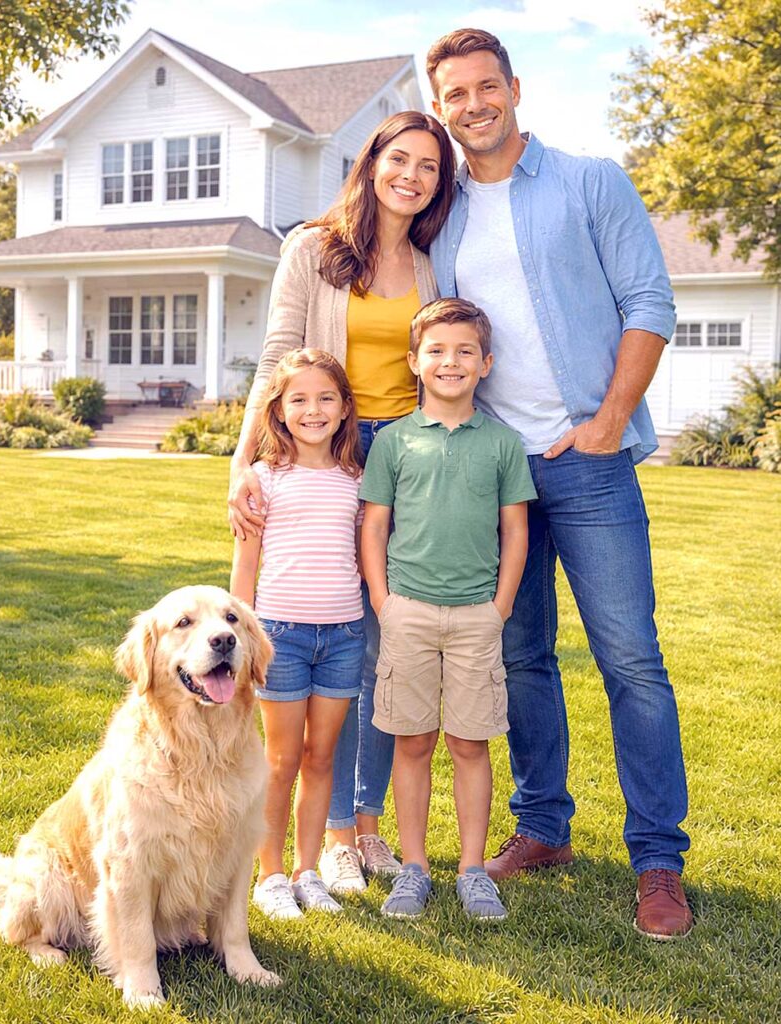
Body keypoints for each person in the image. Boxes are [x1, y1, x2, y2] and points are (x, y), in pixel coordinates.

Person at [425, 27, 693, 939]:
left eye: (485, 86)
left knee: (631, 659)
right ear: (441, 107)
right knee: (520, 657)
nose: (473, 105)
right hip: (498, 473)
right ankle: (543, 828)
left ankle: (658, 861)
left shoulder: (589, 181)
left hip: (590, 460)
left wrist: (611, 419)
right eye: (455, 94)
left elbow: (649, 301)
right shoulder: (446, 215)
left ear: (514, 87)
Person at [228, 111, 456, 895]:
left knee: (384, 643)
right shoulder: (312, 250)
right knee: (331, 627)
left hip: (407, 458)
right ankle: (329, 838)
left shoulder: (432, 262)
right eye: (400, 159)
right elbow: (276, 359)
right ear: (371, 163)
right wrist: (244, 461)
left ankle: (366, 824)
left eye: (429, 165)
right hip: (330, 442)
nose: (411, 176)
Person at [361, 298, 537, 919]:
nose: (450, 361)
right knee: (412, 741)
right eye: (436, 350)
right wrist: (382, 601)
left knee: (469, 743)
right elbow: (374, 525)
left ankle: (471, 869)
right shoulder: (394, 442)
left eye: (465, 351)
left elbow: (515, 531)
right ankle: (413, 867)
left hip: (475, 619)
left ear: (486, 364)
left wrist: (499, 608)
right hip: (406, 613)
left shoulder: (503, 443)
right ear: (414, 361)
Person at [230, 348, 365, 918]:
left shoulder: (356, 479)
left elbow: (364, 553)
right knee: (281, 760)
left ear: (345, 408)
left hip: (343, 634)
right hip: (279, 636)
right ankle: (271, 875)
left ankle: (309, 871)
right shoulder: (261, 479)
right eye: (300, 400)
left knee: (321, 757)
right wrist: (242, 640)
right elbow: (245, 567)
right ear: (279, 411)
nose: (314, 410)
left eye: (326, 398)